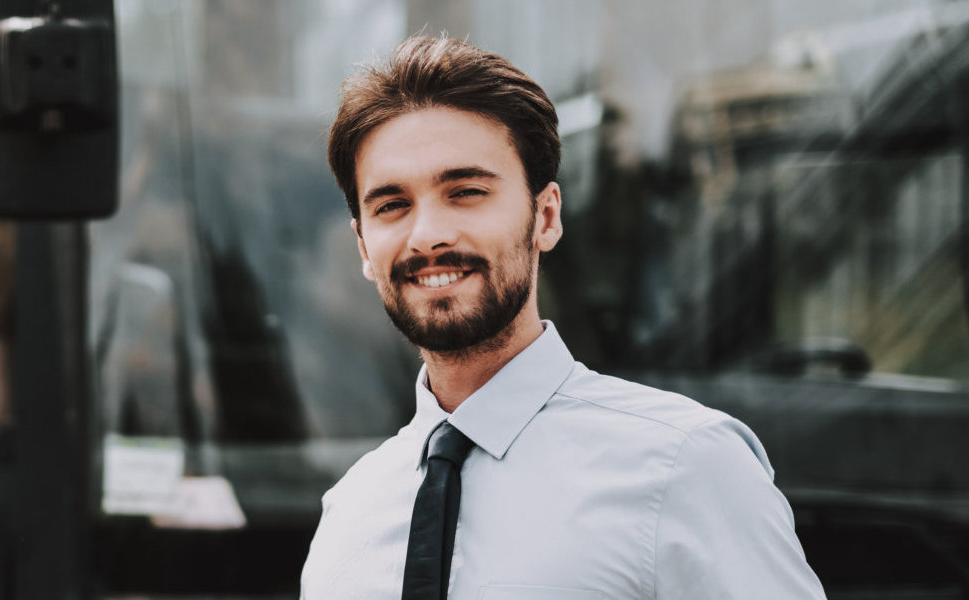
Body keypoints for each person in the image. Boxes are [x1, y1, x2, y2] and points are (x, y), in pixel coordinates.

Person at [299, 36, 825, 599]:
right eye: (392, 205)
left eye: (467, 191)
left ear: (545, 216)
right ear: (362, 246)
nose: (428, 234)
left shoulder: (685, 465)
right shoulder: (348, 516)